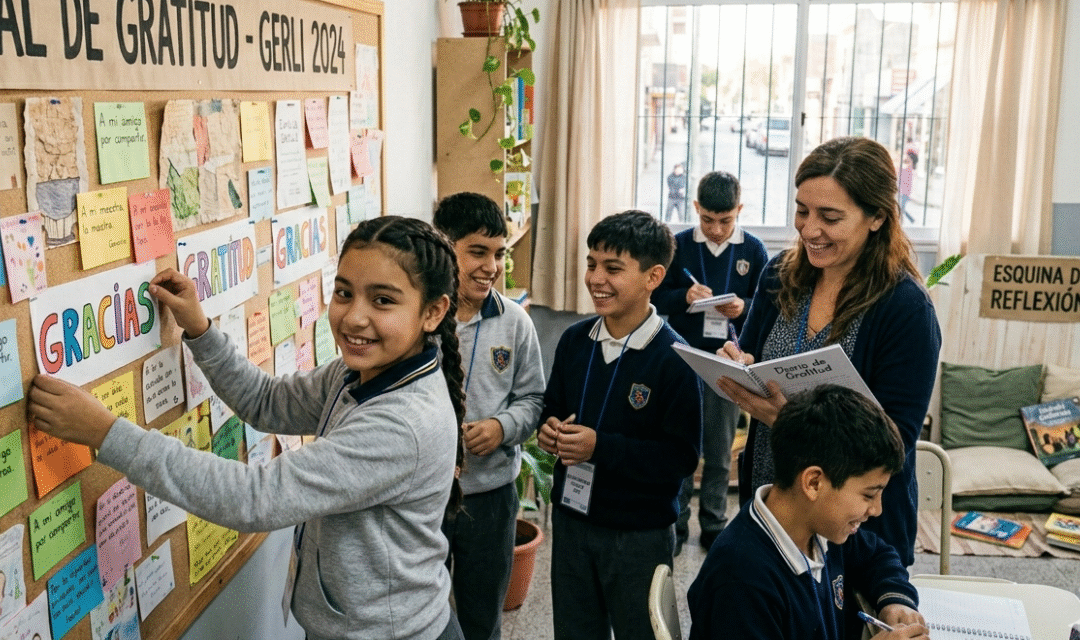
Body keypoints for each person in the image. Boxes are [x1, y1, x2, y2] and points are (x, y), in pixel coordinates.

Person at [28, 216, 468, 640]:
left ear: (432, 312)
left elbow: (254, 498)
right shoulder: (361, 374)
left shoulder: (401, 425)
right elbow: (267, 402)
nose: (354, 317)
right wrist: (199, 329)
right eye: (343, 293)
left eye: (383, 300)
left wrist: (107, 433)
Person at [719, 136, 941, 567]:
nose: (809, 229)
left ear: (877, 217)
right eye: (802, 211)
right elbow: (752, 353)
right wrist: (739, 364)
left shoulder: (905, 308)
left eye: (830, 217)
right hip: (773, 508)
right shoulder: (779, 275)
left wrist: (789, 420)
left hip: (858, 533)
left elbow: (895, 442)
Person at [537, 210, 702, 640]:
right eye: (591, 264)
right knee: (575, 631)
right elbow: (552, 407)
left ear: (653, 277)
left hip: (638, 533)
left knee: (639, 631)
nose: (596, 279)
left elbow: (680, 457)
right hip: (573, 521)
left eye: (613, 268)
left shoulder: (674, 358)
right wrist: (548, 429)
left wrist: (600, 447)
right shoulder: (575, 341)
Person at [687, 385, 928, 640]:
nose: (877, 510)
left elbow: (877, 555)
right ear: (814, 483)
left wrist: (895, 600)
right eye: (869, 495)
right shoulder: (740, 579)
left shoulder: (820, 529)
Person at [433, 193, 545, 640]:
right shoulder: (420, 319)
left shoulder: (515, 322)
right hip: (427, 494)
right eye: (477, 252)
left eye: (499, 254)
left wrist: (502, 427)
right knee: (422, 615)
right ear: (445, 247)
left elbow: (533, 399)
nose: (491, 266)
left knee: (482, 617)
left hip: (490, 497)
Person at [654, 170, 769, 553]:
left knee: (719, 453)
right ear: (696, 208)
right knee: (679, 449)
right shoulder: (678, 246)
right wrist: (684, 297)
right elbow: (656, 298)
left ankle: (714, 523)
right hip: (685, 360)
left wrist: (743, 306)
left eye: (725, 220)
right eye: (707, 220)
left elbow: (767, 306)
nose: (716, 230)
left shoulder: (753, 250)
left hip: (727, 364)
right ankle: (676, 524)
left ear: (739, 210)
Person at [898, 152, 915, 224]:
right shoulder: (906, 169)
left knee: (901, 208)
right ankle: (909, 220)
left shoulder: (909, 169)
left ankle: (906, 220)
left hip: (905, 192)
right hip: (903, 192)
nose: (906, 159)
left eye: (908, 158)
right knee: (901, 208)